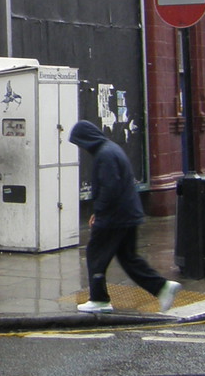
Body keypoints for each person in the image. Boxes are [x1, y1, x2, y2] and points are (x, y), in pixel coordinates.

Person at [68, 120, 180, 314]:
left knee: (95, 255)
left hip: (114, 217)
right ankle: (162, 288)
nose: (81, 148)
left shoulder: (104, 155)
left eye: (80, 142)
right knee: (129, 258)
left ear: (87, 139)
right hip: (128, 213)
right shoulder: (112, 149)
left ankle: (99, 299)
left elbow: (109, 189)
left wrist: (99, 213)